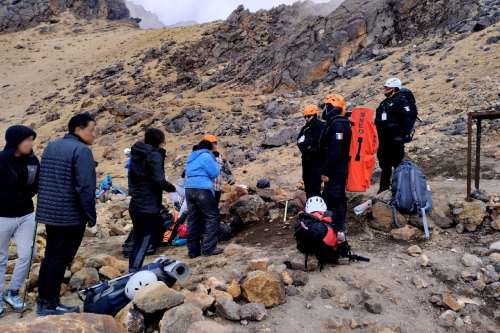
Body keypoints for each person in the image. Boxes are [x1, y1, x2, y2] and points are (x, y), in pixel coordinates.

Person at [36, 112, 97, 315]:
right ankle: (50, 303)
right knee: (61, 258)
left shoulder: (52, 146)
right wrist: (91, 215)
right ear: (78, 129)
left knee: (51, 255)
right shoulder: (81, 150)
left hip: (50, 212)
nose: (94, 135)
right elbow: (85, 187)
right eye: (92, 130)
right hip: (70, 214)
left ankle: (44, 300)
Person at [0, 126, 39, 316]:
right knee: (0, 258)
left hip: (26, 215)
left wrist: (25, 195)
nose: (30, 143)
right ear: (16, 141)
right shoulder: (1, 160)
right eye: (27, 140)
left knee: (29, 254)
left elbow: (37, 184)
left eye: (32, 139)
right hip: (1, 216)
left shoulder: (33, 161)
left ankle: (13, 292)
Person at [128, 128, 176, 272]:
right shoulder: (154, 155)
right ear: (159, 141)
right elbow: (159, 180)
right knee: (145, 239)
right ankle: (134, 272)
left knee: (138, 239)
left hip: (136, 203)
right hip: (149, 205)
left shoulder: (136, 155)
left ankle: (132, 268)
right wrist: (172, 188)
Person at [375, 78, 415, 193]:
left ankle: (400, 189)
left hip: (395, 140)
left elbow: (407, 120)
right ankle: (383, 189)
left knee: (397, 165)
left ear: (395, 89)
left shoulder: (402, 101)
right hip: (384, 140)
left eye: (388, 88)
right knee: (385, 166)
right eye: (385, 87)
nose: (385, 90)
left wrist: (400, 135)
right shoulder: (385, 102)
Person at [319, 94, 351, 232]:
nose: (324, 110)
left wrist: (326, 171)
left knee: (334, 196)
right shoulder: (335, 122)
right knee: (334, 196)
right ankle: (336, 225)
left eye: (326, 107)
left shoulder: (339, 124)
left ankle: (338, 228)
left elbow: (336, 150)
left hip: (336, 169)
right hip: (336, 168)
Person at [184, 140, 222, 258]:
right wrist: (217, 162)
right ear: (209, 148)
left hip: (189, 189)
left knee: (193, 219)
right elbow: (214, 173)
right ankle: (209, 248)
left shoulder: (191, 157)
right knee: (212, 216)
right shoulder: (206, 155)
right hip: (202, 189)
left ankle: (193, 251)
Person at [297, 105, 325, 198]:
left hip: (317, 162)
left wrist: (307, 146)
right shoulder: (305, 128)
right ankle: (311, 206)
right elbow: (299, 142)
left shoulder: (321, 127)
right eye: (305, 117)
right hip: (307, 161)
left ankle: (316, 207)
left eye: (308, 116)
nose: (306, 119)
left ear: (315, 115)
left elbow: (319, 145)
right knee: (308, 185)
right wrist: (306, 146)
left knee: (315, 186)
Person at [202, 134, 235, 205]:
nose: (215, 145)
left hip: (218, 188)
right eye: (213, 143)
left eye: (215, 143)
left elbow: (228, 171)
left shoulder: (219, 156)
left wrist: (225, 161)